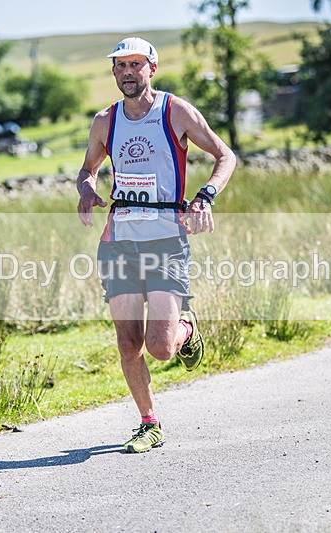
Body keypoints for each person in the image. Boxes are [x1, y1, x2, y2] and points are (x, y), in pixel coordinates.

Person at [76, 37, 236, 453]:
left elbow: (225, 156)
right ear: (113, 73)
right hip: (119, 243)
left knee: (161, 348)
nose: (127, 72)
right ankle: (149, 422)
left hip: (166, 240)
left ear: (152, 68)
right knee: (128, 344)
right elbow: (88, 169)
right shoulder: (104, 121)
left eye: (135, 64)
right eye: (120, 66)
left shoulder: (175, 111)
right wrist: (87, 190)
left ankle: (187, 327)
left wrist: (205, 197)